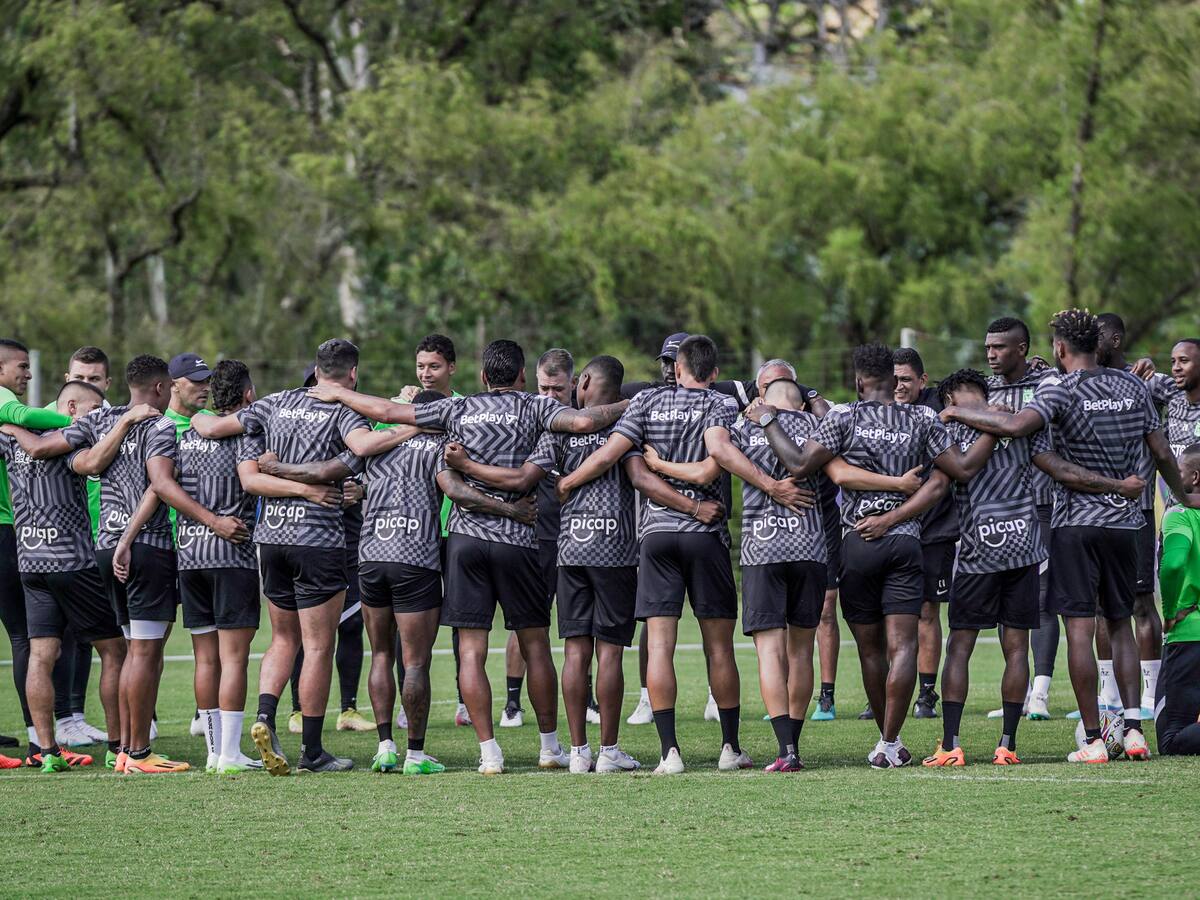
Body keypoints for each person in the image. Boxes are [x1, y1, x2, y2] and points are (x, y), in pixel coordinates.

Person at [307, 339, 630, 775]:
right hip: (518, 541)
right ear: (521, 377)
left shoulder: (458, 410)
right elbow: (582, 421)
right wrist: (634, 402)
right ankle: (550, 747)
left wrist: (339, 392)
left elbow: (388, 414)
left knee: (472, 651)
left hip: (464, 541)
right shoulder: (535, 407)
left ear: (482, 377)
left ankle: (489, 753)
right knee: (535, 646)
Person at [940, 309, 1198, 763]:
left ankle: (1096, 739)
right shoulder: (1133, 387)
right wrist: (1183, 498)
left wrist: (962, 409)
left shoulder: (1057, 387)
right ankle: (1135, 731)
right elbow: (1160, 451)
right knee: (1121, 623)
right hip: (1127, 524)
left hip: (1075, 523)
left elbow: (1027, 438)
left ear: (1060, 349)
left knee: (1079, 630)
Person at [260, 387, 538, 774]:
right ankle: (416, 756)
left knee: (381, 655)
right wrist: (510, 509)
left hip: (371, 558)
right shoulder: (434, 447)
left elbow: (327, 471)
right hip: (415, 560)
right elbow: (456, 491)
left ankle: (385, 746)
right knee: (415, 663)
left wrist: (277, 469)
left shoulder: (374, 446)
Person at [645, 376, 918, 770]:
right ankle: (795, 746)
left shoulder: (743, 425)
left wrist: (658, 463)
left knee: (770, 652)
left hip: (761, 549)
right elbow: (841, 456)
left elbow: (712, 460)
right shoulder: (819, 426)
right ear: (801, 403)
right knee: (802, 651)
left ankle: (783, 747)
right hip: (810, 549)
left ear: (761, 398)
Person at [559, 336, 801, 774]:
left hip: (655, 536)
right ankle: (730, 748)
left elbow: (612, 455)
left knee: (660, 646)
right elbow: (715, 464)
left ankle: (669, 753)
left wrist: (569, 481)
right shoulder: (719, 405)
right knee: (719, 648)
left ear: (677, 367)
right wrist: (760, 485)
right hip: (704, 534)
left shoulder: (646, 404)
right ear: (712, 373)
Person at [745, 342, 994, 768]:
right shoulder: (922, 417)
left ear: (859, 381)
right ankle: (889, 741)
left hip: (857, 542)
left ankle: (888, 741)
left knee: (870, 650)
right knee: (903, 645)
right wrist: (995, 424)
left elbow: (800, 464)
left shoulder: (844, 416)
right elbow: (963, 470)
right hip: (905, 541)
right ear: (895, 380)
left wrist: (767, 418)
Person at [446, 355, 681, 773]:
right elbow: (635, 471)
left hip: (571, 550)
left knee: (575, 651)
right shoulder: (628, 426)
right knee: (609, 654)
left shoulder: (554, 432)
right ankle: (608, 751)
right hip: (616, 550)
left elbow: (525, 477)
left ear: (583, 381)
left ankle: (576, 752)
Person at [920, 369, 1139, 767]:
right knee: (1015, 647)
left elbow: (961, 470)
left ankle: (951, 745)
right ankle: (1007, 746)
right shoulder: (1017, 429)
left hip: (978, 552)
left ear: (950, 399)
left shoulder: (948, 431)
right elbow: (1054, 466)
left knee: (961, 645)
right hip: (1024, 548)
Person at [190, 339, 374, 774]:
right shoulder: (345, 410)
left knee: (282, 640)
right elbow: (359, 452)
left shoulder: (274, 403)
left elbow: (213, 429)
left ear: (313, 368)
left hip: (270, 539)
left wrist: (194, 412)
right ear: (351, 375)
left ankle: (264, 718)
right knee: (317, 645)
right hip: (319, 540)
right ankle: (312, 750)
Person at [147, 360, 288, 774]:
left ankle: (213, 752)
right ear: (247, 395)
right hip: (233, 555)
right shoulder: (246, 433)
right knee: (234, 659)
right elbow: (259, 479)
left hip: (190, 555)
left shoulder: (185, 432)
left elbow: (163, 484)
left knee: (204, 658)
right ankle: (228, 752)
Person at [0, 381, 131, 772]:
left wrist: (12, 428)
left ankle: (45, 751)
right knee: (114, 650)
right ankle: (118, 746)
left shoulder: (10, 441)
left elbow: (18, 434)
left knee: (41, 654)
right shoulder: (72, 437)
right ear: (71, 406)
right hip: (73, 563)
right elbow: (89, 464)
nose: (96, 416)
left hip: (31, 562)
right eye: (92, 409)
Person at [284, 364, 373, 737]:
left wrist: (361, 488)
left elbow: (376, 467)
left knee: (351, 624)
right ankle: (297, 710)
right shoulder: (288, 428)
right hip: (302, 536)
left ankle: (348, 708)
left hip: (347, 538)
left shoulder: (353, 422)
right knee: (303, 631)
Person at [1097, 313, 1177, 717]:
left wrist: (1161, 371)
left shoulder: (1147, 381)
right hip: (1093, 511)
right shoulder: (1083, 382)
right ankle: (1107, 695)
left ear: (1114, 339)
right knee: (1098, 606)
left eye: (1095, 336)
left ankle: (1150, 695)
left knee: (1141, 602)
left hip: (1138, 508)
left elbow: (1183, 393)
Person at [392, 333, 471, 728]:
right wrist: (405, 409)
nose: (426, 373)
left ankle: (464, 699)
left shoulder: (464, 409)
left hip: (453, 526)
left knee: (459, 615)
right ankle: (408, 703)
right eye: (421, 366)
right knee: (405, 622)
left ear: (452, 368)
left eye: (434, 366)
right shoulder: (401, 406)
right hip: (411, 534)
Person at [982, 317, 1059, 719]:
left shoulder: (1045, 383)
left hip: (1041, 504)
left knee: (1043, 598)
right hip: (997, 509)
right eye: (988, 347)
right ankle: (1018, 689)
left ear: (1023, 349)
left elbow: (1024, 425)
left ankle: (1041, 693)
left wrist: (994, 417)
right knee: (1007, 602)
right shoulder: (985, 387)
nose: (991, 354)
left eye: (1000, 347)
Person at [499, 348, 580, 730]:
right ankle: (513, 703)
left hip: (582, 534)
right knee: (527, 621)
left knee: (581, 625)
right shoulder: (528, 414)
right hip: (537, 533)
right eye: (543, 387)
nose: (549, 396)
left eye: (557, 389)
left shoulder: (584, 417)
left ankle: (589, 698)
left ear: (574, 385)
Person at [0, 338, 74, 753]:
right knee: (26, 637)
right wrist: (80, 415)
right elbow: (28, 415)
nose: (27, 375)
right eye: (21, 367)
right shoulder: (1, 398)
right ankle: (38, 742)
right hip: (4, 530)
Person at [48, 347, 114, 748]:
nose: (87, 384)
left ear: (107, 384)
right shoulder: (53, 422)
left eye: (95, 380)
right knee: (54, 636)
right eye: (80, 378)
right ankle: (59, 719)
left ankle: (76, 714)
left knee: (93, 633)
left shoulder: (108, 421)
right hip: (57, 546)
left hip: (102, 540)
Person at [893, 347, 957, 720]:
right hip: (893, 528)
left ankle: (927, 694)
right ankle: (887, 689)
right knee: (892, 614)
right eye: (894, 380)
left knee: (927, 611)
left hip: (934, 526)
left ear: (922, 381)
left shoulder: (937, 408)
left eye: (905, 379)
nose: (898, 386)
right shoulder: (876, 409)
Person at [1155, 444, 1200, 754]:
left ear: (1195, 477)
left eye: (1178, 471)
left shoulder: (1179, 515)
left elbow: (1172, 564)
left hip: (1189, 633)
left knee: (1171, 739)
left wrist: (1171, 611)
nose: (1172, 478)